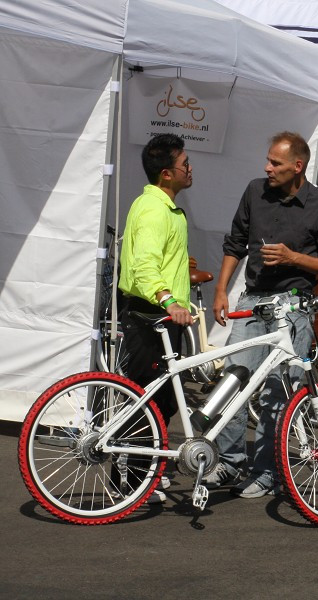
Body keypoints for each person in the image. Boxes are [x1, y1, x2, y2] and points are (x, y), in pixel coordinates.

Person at [206, 132, 318, 498]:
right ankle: (232, 462)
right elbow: (235, 242)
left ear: (297, 166)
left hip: (294, 308)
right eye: (268, 161)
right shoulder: (255, 191)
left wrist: (292, 258)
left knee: (277, 393)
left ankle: (267, 471)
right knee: (233, 383)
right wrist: (221, 290)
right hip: (252, 301)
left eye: (276, 163)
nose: (267, 168)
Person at [117, 133, 195, 504]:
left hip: (164, 317)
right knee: (147, 399)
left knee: (165, 398)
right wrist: (168, 298)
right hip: (151, 315)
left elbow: (158, 259)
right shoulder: (153, 210)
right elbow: (144, 264)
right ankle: (132, 480)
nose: (190, 169)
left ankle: (146, 468)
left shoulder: (165, 208)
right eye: (185, 164)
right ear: (167, 174)